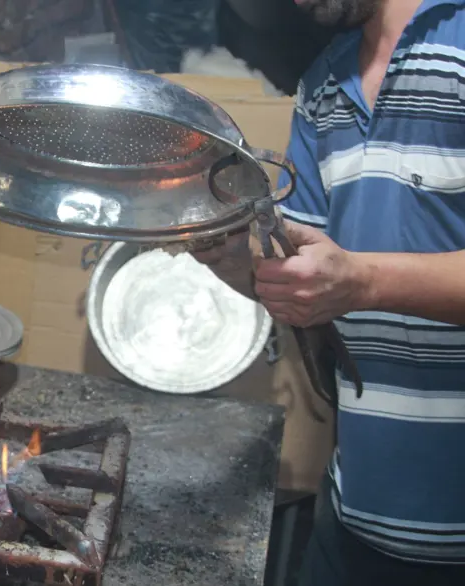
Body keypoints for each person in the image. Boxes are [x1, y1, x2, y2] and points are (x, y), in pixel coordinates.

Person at [195, 0, 465, 584]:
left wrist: (362, 282)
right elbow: (311, 279)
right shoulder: (324, 82)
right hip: (356, 520)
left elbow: (349, 280)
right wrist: (227, 255)